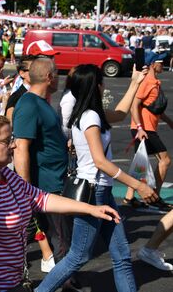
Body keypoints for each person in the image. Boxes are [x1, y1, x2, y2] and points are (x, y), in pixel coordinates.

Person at [0, 114, 120, 292]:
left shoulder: (4, 173)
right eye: (6, 141)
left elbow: (41, 199)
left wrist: (91, 209)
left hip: (11, 283)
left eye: (12, 138)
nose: (13, 144)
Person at [36, 64, 158, 292]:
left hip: (102, 191)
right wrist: (137, 186)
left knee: (121, 255)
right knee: (78, 257)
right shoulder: (90, 116)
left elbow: (120, 113)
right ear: (96, 85)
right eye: (102, 81)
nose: (105, 85)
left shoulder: (92, 114)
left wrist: (135, 83)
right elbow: (100, 161)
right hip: (93, 192)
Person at [12, 58, 75, 289]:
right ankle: (62, 283)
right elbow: (21, 148)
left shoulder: (41, 102)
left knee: (61, 238)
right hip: (46, 185)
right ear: (49, 77)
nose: (59, 77)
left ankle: (63, 281)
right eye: (57, 73)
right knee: (60, 240)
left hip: (56, 180)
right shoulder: (29, 104)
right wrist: (25, 190)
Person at [123, 53, 173, 210]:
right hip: (144, 129)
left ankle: (129, 197)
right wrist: (139, 128)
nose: (163, 64)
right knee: (165, 160)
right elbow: (134, 105)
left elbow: (154, 108)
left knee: (140, 164)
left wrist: (170, 122)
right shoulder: (147, 82)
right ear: (152, 64)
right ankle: (155, 197)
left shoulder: (155, 83)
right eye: (160, 62)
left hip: (147, 128)